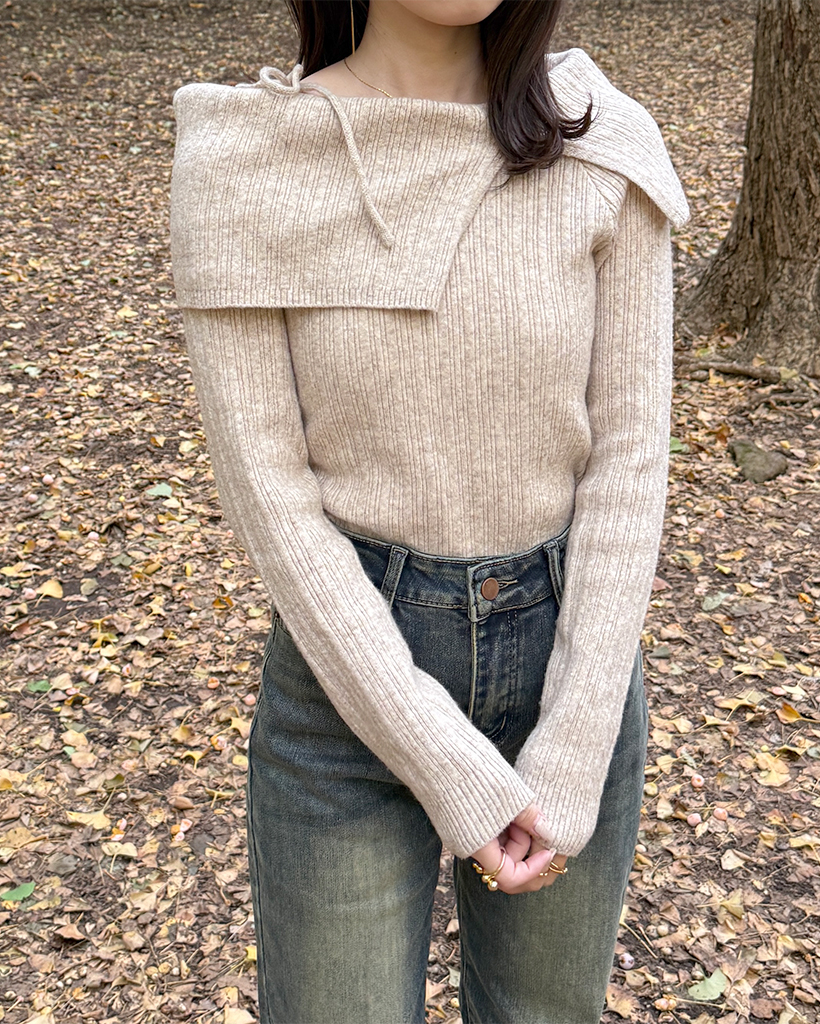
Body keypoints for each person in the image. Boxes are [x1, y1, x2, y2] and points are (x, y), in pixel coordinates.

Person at [169, 0, 689, 1020]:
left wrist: (573, 746)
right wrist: (450, 768)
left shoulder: (601, 143)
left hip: (571, 682)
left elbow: (630, 460)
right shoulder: (249, 163)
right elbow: (270, 497)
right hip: (344, 691)